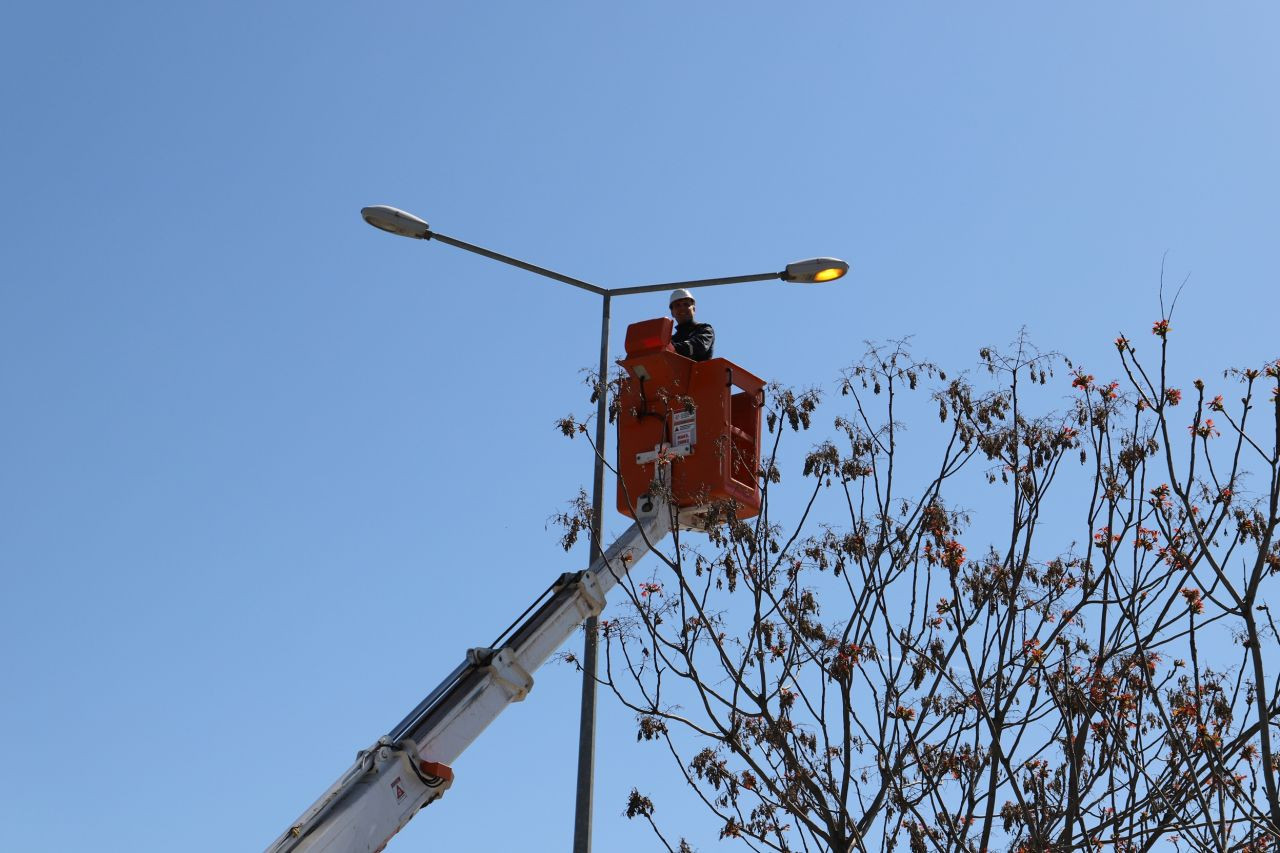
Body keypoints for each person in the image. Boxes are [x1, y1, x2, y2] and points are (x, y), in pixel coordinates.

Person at [668, 288, 714, 362]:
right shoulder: (672, 340)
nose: (682, 308)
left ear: (694, 309)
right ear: (672, 313)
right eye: (677, 305)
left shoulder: (704, 330)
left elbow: (698, 347)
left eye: (686, 304)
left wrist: (670, 348)